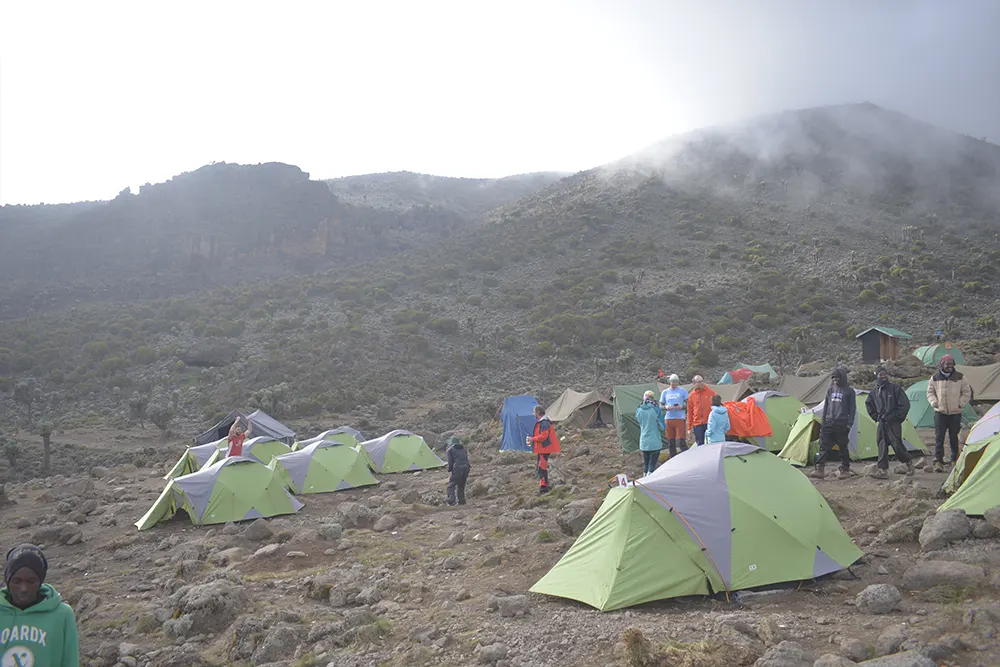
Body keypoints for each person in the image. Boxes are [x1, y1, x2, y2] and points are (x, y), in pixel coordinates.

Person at [1, 544, 79, 666]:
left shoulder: (62, 615)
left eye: (31, 581)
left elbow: (70, 661)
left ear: (40, 581)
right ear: (7, 580)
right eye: (16, 581)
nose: (23, 589)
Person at [926, 354, 973, 472]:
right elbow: (930, 392)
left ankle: (954, 460)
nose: (950, 366)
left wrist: (961, 403)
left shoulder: (960, 377)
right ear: (942, 364)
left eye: (952, 364)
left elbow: (967, 392)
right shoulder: (935, 377)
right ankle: (938, 461)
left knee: (953, 437)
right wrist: (934, 402)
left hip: (955, 413)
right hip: (940, 412)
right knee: (939, 438)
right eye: (947, 364)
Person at [865, 366, 914, 479]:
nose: (883, 376)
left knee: (896, 444)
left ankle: (909, 463)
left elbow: (904, 405)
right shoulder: (874, 391)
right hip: (882, 422)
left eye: (885, 374)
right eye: (880, 374)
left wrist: (896, 417)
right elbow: (869, 405)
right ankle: (882, 470)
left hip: (893, 422)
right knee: (881, 444)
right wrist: (876, 417)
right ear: (876, 376)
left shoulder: (895, 388)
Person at [811, 368, 856, 480]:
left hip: (842, 423)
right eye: (834, 378)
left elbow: (852, 409)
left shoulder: (849, 391)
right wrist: (823, 420)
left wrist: (849, 424)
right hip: (828, 423)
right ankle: (820, 469)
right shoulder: (830, 390)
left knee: (842, 447)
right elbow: (826, 406)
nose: (835, 380)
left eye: (837, 377)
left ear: (842, 377)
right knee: (824, 446)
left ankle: (845, 469)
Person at [527, 406, 561, 494]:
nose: (533, 414)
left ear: (538, 412)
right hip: (543, 449)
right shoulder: (543, 422)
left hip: (544, 449)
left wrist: (532, 439)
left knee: (542, 468)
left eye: (534, 412)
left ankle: (544, 488)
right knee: (541, 467)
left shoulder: (544, 422)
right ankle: (544, 485)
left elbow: (544, 436)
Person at [635, 390, 665, 476]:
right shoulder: (656, 409)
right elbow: (662, 427)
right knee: (652, 466)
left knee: (646, 464)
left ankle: (644, 477)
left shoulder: (639, 410)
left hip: (644, 441)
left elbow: (639, 422)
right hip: (654, 441)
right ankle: (650, 480)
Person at [659, 374, 689, 458]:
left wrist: (681, 407)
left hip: (680, 418)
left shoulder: (683, 391)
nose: (674, 383)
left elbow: (689, 404)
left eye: (676, 382)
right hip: (669, 418)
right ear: (669, 382)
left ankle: (687, 458)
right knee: (670, 441)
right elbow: (661, 405)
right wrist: (666, 407)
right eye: (672, 382)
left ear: (678, 382)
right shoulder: (665, 392)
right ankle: (673, 458)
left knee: (680, 440)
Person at [686, 375, 716, 447]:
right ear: (694, 383)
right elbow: (689, 412)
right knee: (700, 445)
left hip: (709, 423)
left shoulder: (711, 393)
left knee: (711, 444)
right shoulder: (691, 396)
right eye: (699, 382)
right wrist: (689, 428)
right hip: (697, 424)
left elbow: (716, 408)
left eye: (702, 381)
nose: (702, 383)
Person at [445, 436, 471, 506]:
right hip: (466, 468)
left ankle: (451, 501)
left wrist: (450, 470)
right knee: (461, 485)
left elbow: (450, 463)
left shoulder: (450, 450)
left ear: (452, 443)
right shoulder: (463, 449)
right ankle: (462, 501)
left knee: (451, 485)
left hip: (457, 468)